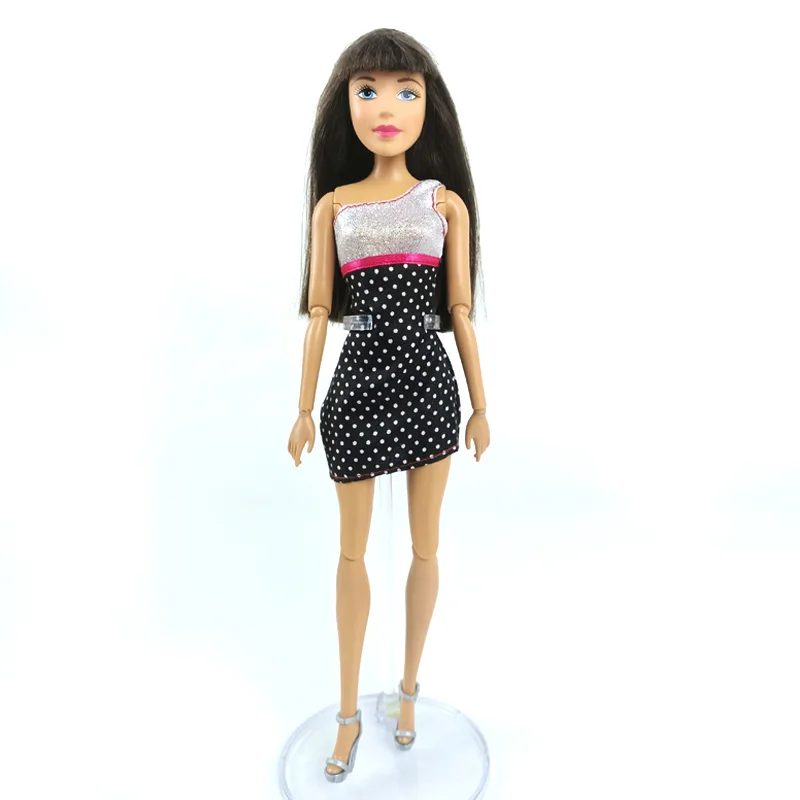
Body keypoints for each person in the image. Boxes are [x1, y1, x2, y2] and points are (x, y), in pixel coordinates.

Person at [287, 27, 490, 783]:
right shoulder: (334, 208)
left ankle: (408, 691)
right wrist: (304, 408)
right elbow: (319, 314)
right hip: (357, 388)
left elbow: (460, 312)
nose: (386, 107)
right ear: (344, 104)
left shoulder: (443, 205)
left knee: (424, 548)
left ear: (428, 105)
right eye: (367, 90)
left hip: (428, 386)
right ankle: (347, 715)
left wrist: (480, 404)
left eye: (407, 91)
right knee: (353, 553)